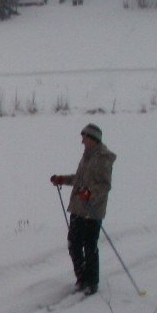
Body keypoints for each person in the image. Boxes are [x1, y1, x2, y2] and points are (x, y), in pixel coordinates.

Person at [50, 124, 116, 295]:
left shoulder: (103, 157)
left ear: (92, 139)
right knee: (73, 244)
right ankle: (81, 279)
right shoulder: (87, 156)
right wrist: (62, 179)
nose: (82, 141)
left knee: (89, 245)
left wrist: (90, 193)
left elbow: (104, 185)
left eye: (84, 138)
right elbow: (79, 179)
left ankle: (92, 282)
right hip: (78, 207)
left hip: (93, 210)